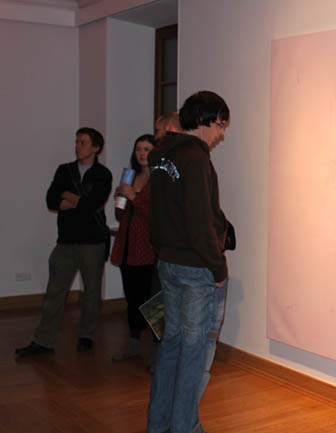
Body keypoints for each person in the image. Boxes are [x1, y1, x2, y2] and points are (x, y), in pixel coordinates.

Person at [147, 91, 231, 433]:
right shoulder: (195, 159)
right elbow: (200, 222)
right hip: (196, 268)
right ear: (205, 120)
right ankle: (185, 426)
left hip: (169, 262)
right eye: (221, 124)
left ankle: (159, 424)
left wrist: (164, 251)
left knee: (172, 345)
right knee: (193, 353)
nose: (221, 133)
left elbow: (157, 214)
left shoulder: (162, 156)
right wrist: (218, 267)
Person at [15, 127, 112, 357]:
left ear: (96, 148)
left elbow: (93, 204)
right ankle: (44, 341)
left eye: (83, 142)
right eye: (76, 142)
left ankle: (86, 335)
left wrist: (67, 197)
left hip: (93, 242)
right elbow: (51, 201)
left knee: (91, 293)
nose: (77, 146)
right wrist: (80, 201)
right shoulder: (64, 170)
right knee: (54, 293)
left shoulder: (103, 174)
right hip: (66, 241)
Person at [110, 134, 157, 361]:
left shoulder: (158, 181)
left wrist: (133, 198)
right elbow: (120, 216)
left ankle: (158, 349)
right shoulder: (131, 178)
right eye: (138, 148)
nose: (142, 153)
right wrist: (120, 198)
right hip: (126, 248)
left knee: (153, 300)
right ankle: (134, 341)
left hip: (147, 249)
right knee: (132, 299)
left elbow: (155, 215)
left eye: (147, 149)